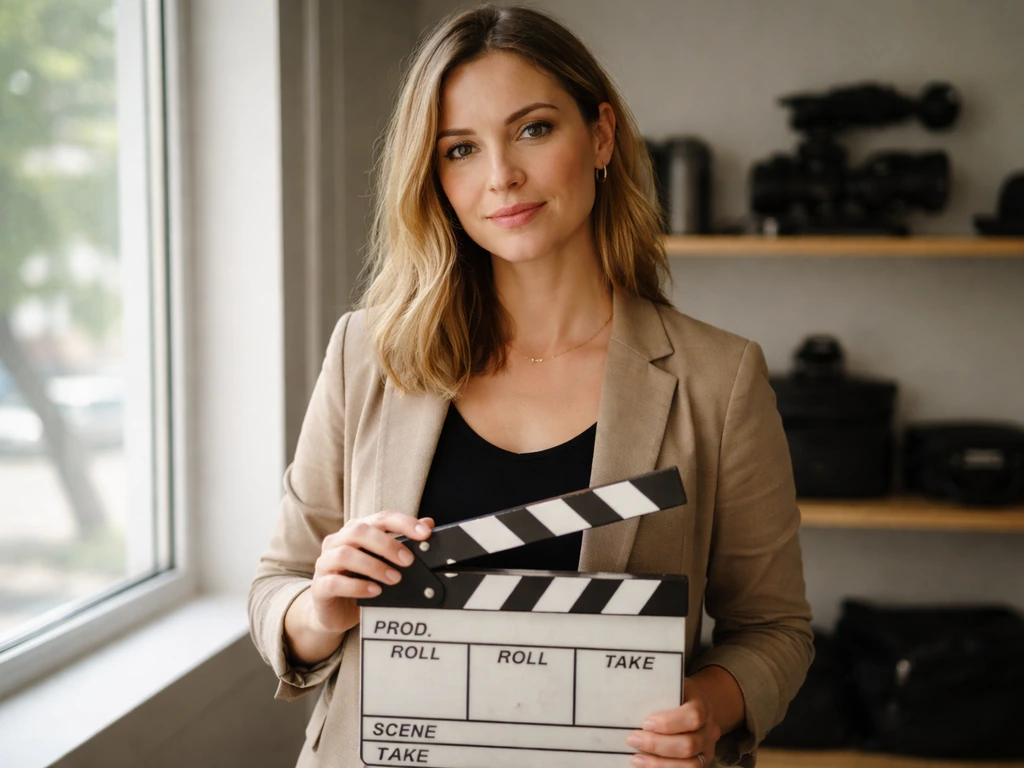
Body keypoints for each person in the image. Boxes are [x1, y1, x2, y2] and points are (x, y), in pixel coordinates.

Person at [248, 5, 813, 767]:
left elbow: (775, 630)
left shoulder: (719, 378)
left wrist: (707, 708)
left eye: (534, 129)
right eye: (460, 149)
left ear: (602, 135)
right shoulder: (368, 354)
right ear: (434, 177)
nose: (501, 175)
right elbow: (276, 586)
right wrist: (320, 605)